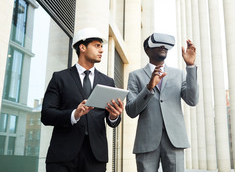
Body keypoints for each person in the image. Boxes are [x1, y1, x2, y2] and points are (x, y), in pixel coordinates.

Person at [41, 27, 124, 172]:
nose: (101, 50)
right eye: (97, 45)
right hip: (62, 155)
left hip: (95, 156)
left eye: (102, 46)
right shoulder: (60, 78)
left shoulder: (108, 81)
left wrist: (113, 116)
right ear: (82, 47)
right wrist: (74, 114)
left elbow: (112, 122)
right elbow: (46, 115)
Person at [126, 33, 198, 172]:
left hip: (174, 140)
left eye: (166, 44)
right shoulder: (135, 76)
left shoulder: (179, 74)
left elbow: (192, 100)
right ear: (147, 49)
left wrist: (190, 67)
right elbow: (131, 111)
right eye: (158, 43)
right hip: (146, 141)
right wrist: (149, 88)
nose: (163, 46)